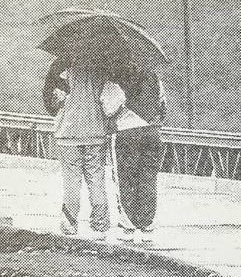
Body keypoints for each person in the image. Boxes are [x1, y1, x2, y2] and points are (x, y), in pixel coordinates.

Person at [43, 56, 110, 240]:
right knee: (96, 178)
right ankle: (100, 226)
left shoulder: (61, 65)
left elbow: (50, 102)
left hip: (68, 133)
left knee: (71, 179)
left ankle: (70, 223)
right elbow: (109, 101)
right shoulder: (101, 65)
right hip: (95, 132)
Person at [100, 62, 165, 244]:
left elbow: (110, 107)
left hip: (127, 133)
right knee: (148, 179)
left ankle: (127, 226)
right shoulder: (153, 76)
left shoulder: (116, 75)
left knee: (125, 180)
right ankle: (147, 226)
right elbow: (162, 104)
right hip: (152, 132)